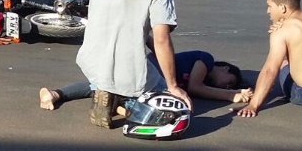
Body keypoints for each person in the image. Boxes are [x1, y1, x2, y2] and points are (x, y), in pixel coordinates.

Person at [75, 0, 192, 128]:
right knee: (168, 105)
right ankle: (128, 105)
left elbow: (121, 25)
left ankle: (103, 90)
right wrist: (173, 86)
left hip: (92, 63)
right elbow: (162, 39)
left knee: (109, 78)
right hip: (127, 71)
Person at [41, 51, 253, 110]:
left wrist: (230, 94)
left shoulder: (208, 75)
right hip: (150, 70)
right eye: (229, 81)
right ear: (225, 67)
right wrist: (231, 95)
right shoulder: (206, 60)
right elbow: (196, 88)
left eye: (228, 87)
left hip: (148, 75)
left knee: (102, 86)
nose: (226, 85)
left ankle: (56, 94)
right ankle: (116, 104)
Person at [238, 0, 302, 116]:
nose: (268, 11)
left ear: (283, 7)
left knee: (283, 64)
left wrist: (253, 105)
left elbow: (270, 70)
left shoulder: (282, 31)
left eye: (270, 6)